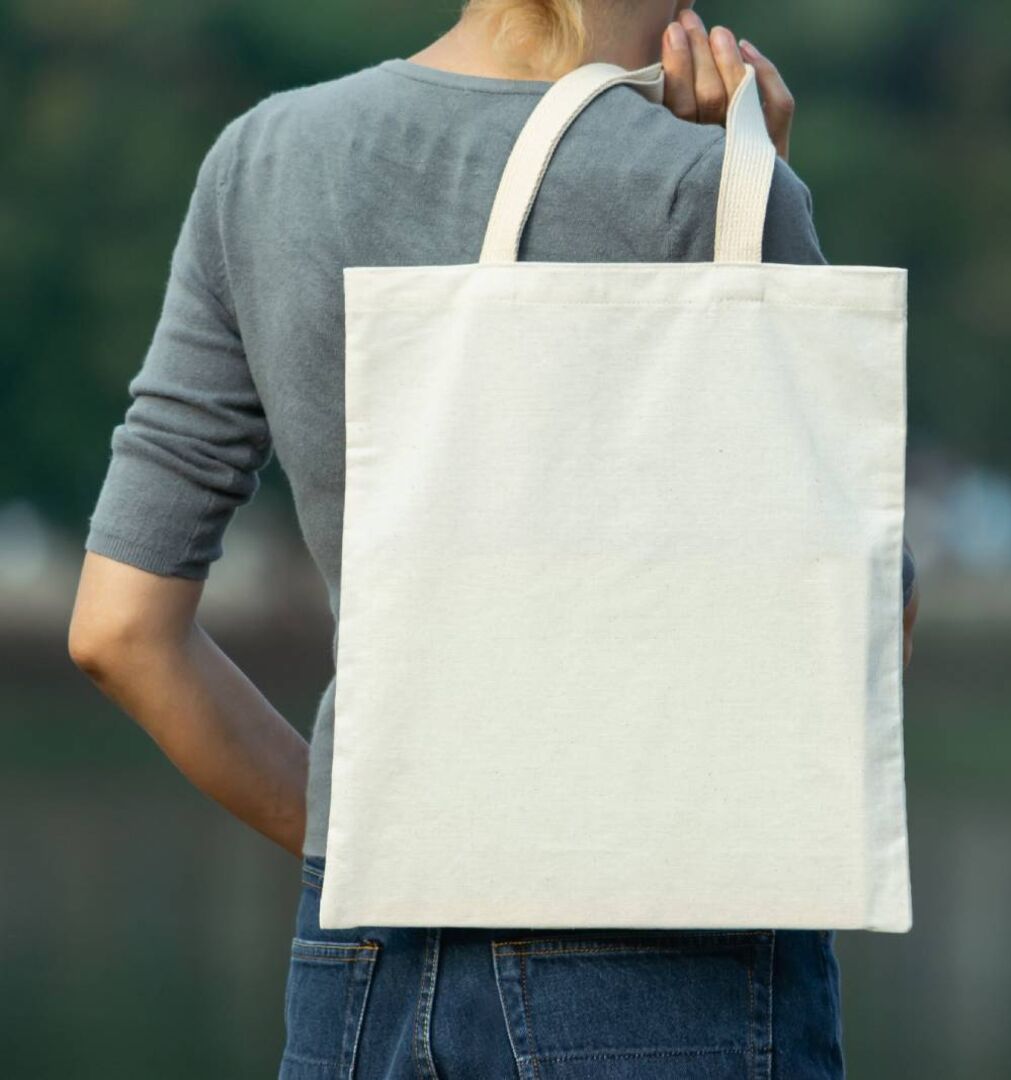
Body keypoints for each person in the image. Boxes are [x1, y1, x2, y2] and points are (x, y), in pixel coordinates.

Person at [66, 1, 920, 1076]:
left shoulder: (264, 160)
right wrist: (754, 213)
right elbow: (861, 635)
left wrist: (371, 841)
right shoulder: (698, 185)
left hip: (356, 962)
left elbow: (119, 631)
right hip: (661, 968)